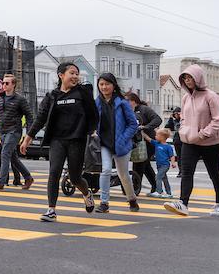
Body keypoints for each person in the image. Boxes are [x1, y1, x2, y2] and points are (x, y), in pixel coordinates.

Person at [21, 62, 98, 222]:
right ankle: (51, 210)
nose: (75, 76)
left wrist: (93, 130)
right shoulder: (52, 96)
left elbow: (93, 113)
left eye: (77, 73)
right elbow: (41, 118)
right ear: (61, 75)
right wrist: (28, 138)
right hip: (57, 140)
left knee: (75, 178)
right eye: (72, 73)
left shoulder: (83, 92)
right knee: (54, 172)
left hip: (77, 139)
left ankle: (86, 193)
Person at [163, 65, 219, 217]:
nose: (188, 80)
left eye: (190, 77)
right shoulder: (186, 97)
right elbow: (184, 118)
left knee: (214, 173)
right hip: (190, 141)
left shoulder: (210, 96)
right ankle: (183, 203)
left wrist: (202, 134)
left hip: (211, 142)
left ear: (198, 78)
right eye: (185, 78)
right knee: (186, 172)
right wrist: (184, 130)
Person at [94, 73, 141, 213]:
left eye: (107, 84)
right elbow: (92, 121)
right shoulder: (97, 102)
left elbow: (133, 124)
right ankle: (104, 203)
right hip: (104, 143)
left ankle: (132, 199)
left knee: (124, 175)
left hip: (121, 145)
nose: (104, 87)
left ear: (113, 86)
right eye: (101, 84)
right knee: (106, 170)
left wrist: (122, 138)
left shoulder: (122, 103)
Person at [0, 73, 33, 192]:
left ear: (13, 85)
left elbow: (29, 116)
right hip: (2, 132)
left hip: (14, 132)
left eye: (6, 83)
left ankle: (0, 182)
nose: (4, 85)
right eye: (3, 83)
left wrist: (29, 134)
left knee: (5, 154)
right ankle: (28, 178)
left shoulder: (20, 100)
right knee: (13, 158)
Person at [126, 92, 161, 195]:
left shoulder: (144, 109)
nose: (126, 103)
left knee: (139, 165)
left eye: (128, 101)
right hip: (137, 142)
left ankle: (135, 188)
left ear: (134, 101)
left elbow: (158, 119)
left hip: (148, 142)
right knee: (145, 166)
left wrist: (145, 127)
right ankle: (156, 187)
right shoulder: (128, 111)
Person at [153, 128, 176, 198]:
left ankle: (159, 191)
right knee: (164, 179)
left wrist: (173, 163)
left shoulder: (168, 147)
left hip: (165, 165)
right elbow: (149, 139)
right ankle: (169, 193)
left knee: (158, 177)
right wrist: (143, 134)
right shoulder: (157, 143)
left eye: (157, 135)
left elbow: (172, 156)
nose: (155, 136)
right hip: (159, 165)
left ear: (162, 137)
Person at [164, 107, 183, 177]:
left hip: (184, 140)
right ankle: (181, 171)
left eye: (177, 114)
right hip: (177, 140)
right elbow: (167, 126)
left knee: (184, 157)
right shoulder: (174, 121)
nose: (176, 115)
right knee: (179, 157)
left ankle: (184, 171)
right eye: (174, 114)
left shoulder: (184, 120)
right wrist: (171, 118)